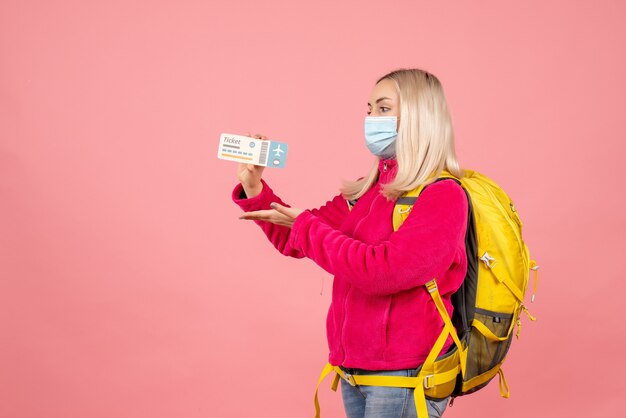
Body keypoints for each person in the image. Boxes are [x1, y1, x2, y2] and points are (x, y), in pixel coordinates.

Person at [231, 68, 468, 418]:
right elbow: (297, 239)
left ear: (419, 116)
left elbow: (383, 272)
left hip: (403, 375)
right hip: (354, 372)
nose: (371, 118)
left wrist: (305, 226)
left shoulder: (443, 195)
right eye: (369, 109)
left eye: (384, 109)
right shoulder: (366, 191)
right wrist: (254, 186)